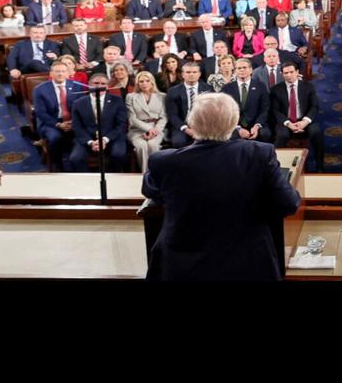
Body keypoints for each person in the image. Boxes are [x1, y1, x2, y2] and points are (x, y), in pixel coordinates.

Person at [140, 92, 301, 282]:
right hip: (247, 265)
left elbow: (151, 191)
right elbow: (289, 203)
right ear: (234, 123)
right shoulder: (258, 154)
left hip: (183, 267)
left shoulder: (164, 162)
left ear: (191, 123)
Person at [68, 68, 128, 170]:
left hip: (111, 137)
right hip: (87, 138)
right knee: (75, 158)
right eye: (96, 83)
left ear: (107, 86)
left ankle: (113, 180)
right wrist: (91, 142)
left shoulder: (117, 101)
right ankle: (87, 182)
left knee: (118, 155)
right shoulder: (78, 103)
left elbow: (121, 124)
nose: (99, 86)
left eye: (103, 84)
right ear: (89, 84)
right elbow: (77, 127)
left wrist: (104, 140)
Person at [269, 62, 324, 171]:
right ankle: (276, 167)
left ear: (297, 72)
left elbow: (314, 107)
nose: (289, 75)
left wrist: (304, 122)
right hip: (286, 122)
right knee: (281, 135)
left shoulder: (308, 86)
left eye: (291, 72)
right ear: (282, 74)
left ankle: (320, 165)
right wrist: (288, 124)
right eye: (285, 73)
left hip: (304, 120)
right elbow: (275, 111)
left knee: (316, 132)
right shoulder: (276, 89)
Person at [32, 61, 78, 169]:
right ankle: (57, 164)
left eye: (63, 71)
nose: (60, 74)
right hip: (50, 122)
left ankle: (78, 163)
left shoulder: (76, 86)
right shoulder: (39, 90)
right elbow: (40, 113)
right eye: (57, 71)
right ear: (51, 74)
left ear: (68, 73)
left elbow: (80, 108)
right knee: (55, 137)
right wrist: (58, 124)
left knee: (85, 133)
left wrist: (73, 122)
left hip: (73, 121)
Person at [125, 69, 168, 168]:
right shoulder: (131, 97)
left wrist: (155, 130)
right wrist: (148, 129)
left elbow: (164, 117)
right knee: (141, 145)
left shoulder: (162, 96)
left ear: (152, 82)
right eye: (141, 81)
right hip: (137, 130)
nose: (144, 84)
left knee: (153, 144)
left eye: (147, 81)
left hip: (157, 129)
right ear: (137, 83)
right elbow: (132, 118)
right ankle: (145, 173)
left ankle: (156, 172)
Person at [164, 61, 206, 148]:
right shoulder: (173, 91)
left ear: (199, 74)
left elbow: (210, 112)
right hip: (181, 125)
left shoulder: (208, 89)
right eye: (188, 72)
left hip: (203, 125)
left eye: (194, 72)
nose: (191, 75)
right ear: (182, 74)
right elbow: (172, 115)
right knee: (178, 142)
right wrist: (186, 129)